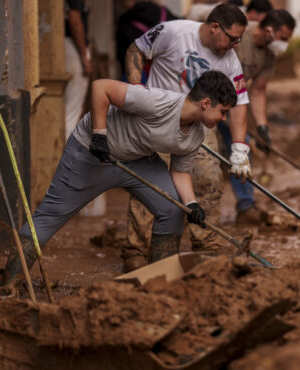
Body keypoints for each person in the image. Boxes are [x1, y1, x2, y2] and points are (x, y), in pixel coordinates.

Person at [1, 71, 238, 284]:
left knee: (173, 209)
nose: (224, 119)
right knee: (50, 215)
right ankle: (9, 282)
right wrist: (99, 136)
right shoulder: (158, 101)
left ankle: (160, 284)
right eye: (223, 112)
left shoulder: (195, 135)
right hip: (92, 153)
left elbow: (180, 171)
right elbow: (100, 87)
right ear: (206, 103)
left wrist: (191, 204)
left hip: (138, 161)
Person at [123, 3, 250, 271]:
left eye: (239, 40)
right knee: (149, 186)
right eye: (233, 38)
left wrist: (239, 148)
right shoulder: (173, 32)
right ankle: (136, 253)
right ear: (215, 27)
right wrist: (136, 91)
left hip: (202, 127)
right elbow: (136, 49)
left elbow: (239, 103)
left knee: (208, 184)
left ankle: (207, 249)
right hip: (158, 122)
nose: (235, 45)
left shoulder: (229, 58)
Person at [218, 9, 295, 223]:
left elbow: (258, 90)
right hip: (206, 99)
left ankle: (245, 206)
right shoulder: (240, 35)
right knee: (202, 153)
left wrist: (262, 127)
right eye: (284, 38)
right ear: (269, 30)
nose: (285, 44)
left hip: (233, 103)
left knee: (243, 145)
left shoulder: (270, 53)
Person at [115, 1, 178, 83]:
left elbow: (122, 56)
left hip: (142, 76)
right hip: (170, 72)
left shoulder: (125, 22)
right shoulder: (165, 12)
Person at [64, 0, 91, 137]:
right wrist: (84, 56)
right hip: (71, 46)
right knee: (72, 109)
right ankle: (68, 150)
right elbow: (74, 19)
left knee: (70, 107)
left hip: (68, 45)